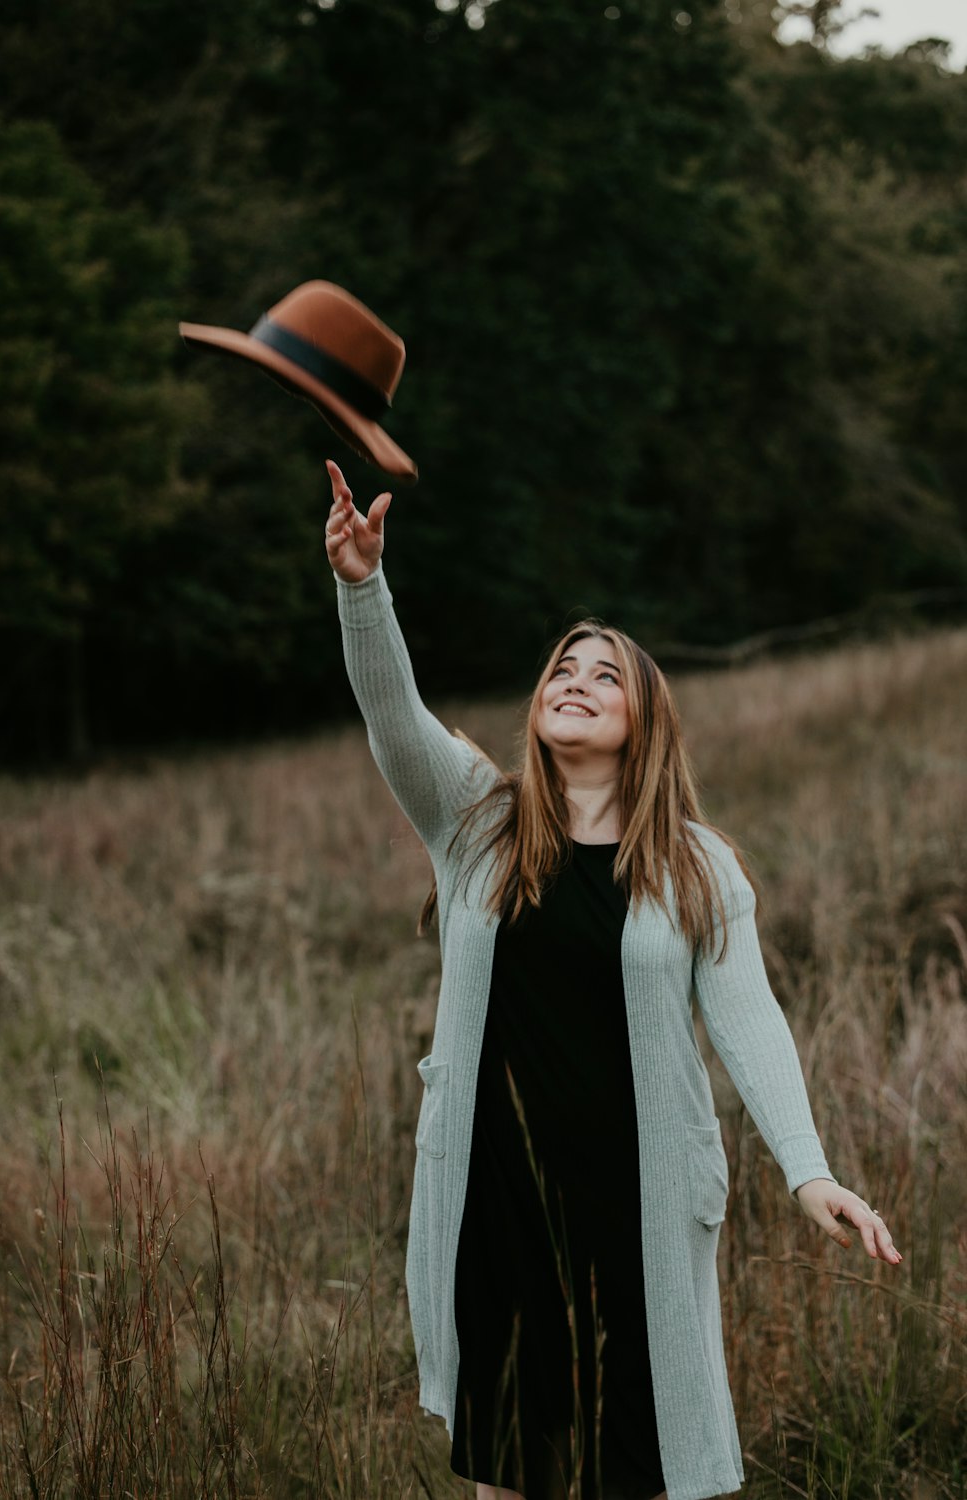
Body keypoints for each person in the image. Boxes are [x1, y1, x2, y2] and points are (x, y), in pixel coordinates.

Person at [323, 458, 902, 1500]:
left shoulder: (693, 865)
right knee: (511, 1461)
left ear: (644, 722)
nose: (574, 682)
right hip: (499, 1188)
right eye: (561, 669)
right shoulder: (475, 825)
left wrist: (808, 1171)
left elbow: (749, 1018)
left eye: (604, 676)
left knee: (632, 1461)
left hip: (634, 1195)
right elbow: (392, 715)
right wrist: (362, 587)